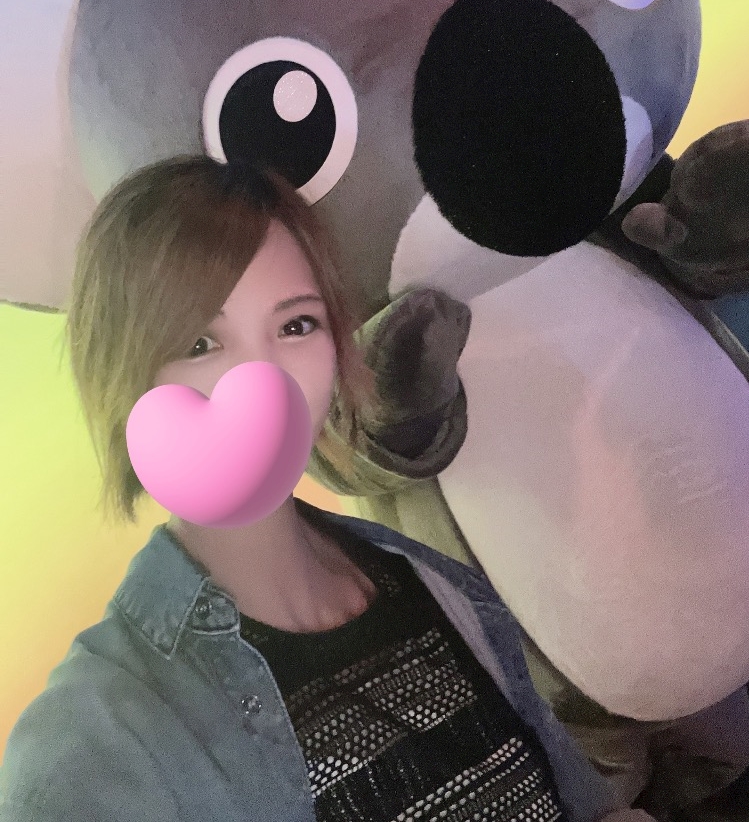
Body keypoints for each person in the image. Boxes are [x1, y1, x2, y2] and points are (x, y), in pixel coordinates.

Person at [0, 155, 644, 822]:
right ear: (123, 372)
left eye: (296, 326)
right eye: (199, 343)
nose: (264, 381)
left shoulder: (433, 581)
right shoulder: (90, 745)